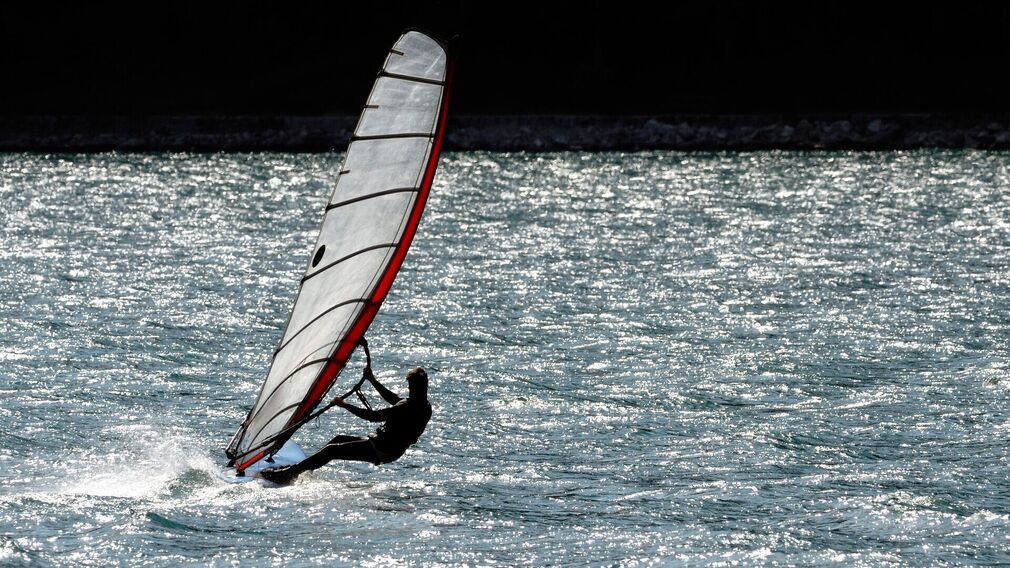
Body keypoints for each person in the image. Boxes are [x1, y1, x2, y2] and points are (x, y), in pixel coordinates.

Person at [258, 366, 432, 484]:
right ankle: (300, 470)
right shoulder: (424, 405)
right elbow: (394, 398)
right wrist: (372, 380)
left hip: (381, 449)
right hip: (389, 447)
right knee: (338, 439)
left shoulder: (407, 406)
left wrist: (344, 405)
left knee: (331, 450)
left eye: (410, 386)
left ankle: (287, 475)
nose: (408, 389)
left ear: (413, 386)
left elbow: (372, 416)